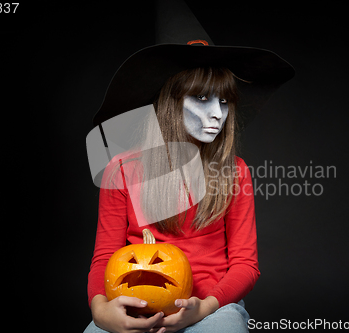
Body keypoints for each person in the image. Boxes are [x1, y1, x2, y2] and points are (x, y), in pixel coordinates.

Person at [85, 67, 258, 333]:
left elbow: (245, 264)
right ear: (171, 103)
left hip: (211, 307)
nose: (217, 114)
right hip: (134, 307)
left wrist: (205, 307)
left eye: (223, 101)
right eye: (201, 98)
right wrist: (100, 311)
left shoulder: (234, 172)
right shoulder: (121, 169)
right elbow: (105, 258)